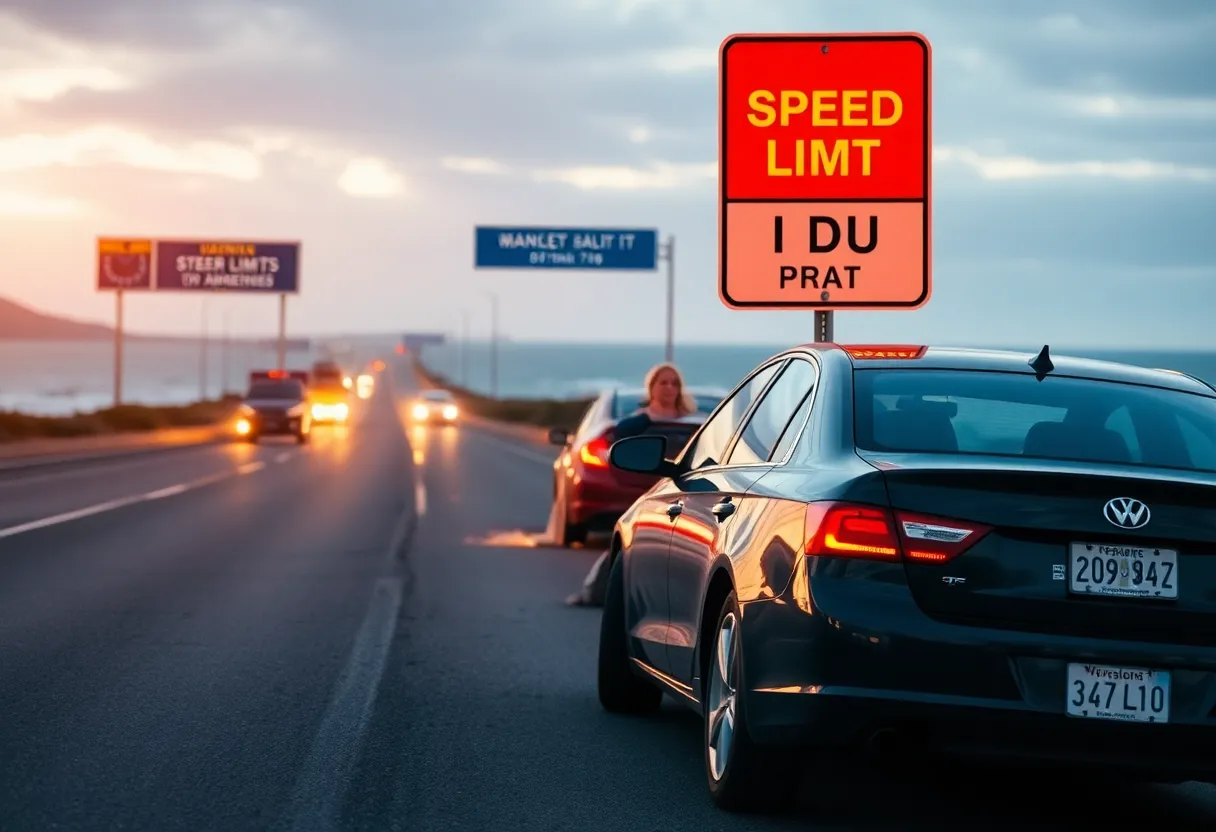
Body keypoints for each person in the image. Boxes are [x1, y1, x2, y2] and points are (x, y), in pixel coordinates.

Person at [565, 362, 696, 607]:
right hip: (647, 489)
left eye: (675, 383)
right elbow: (618, 448)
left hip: (688, 488)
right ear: (652, 388)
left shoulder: (696, 422)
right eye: (663, 382)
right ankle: (595, 593)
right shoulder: (636, 422)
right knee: (627, 539)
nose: (669, 388)